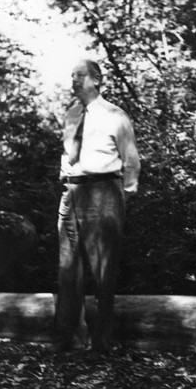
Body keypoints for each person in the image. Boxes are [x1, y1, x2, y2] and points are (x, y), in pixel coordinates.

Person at [54, 59, 141, 355]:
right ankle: (71, 339)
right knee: (68, 268)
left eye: (80, 75)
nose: (74, 80)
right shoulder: (71, 114)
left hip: (103, 192)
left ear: (98, 80)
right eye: (72, 75)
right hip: (71, 191)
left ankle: (102, 342)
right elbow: (70, 154)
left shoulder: (115, 116)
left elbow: (132, 162)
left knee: (103, 271)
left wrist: (118, 199)